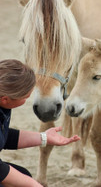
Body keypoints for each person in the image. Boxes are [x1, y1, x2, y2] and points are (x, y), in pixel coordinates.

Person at [0, 59, 80, 187]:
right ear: (5, 100)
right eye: (25, 97)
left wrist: (44, 137)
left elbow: (4, 136)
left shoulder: (3, 104)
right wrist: (34, 185)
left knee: (23, 175)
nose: (27, 99)